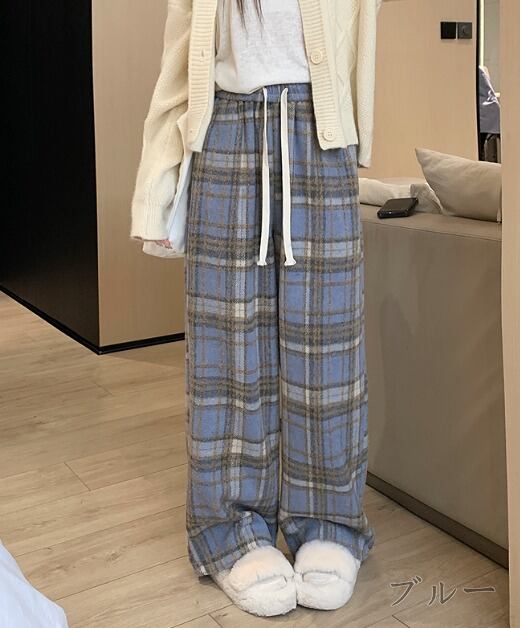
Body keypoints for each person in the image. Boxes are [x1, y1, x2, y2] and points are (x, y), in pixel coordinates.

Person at [130, 0, 382, 617]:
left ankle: (330, 522)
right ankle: (230, 528)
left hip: (321, 134)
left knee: (328, 350)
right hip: (225, 132)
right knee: (228, 352)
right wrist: (157, 184)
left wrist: (355, 128)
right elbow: (178, 65)